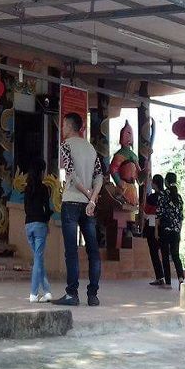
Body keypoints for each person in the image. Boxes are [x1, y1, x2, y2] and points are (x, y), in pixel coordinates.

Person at [52, 113, 103, 307]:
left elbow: (71, 174)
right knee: (93, 251)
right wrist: (92, 199)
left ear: (69, 126)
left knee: (71, 251)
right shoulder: (91, 148)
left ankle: (72, 294)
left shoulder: (65, 146)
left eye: (64, 125)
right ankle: (93, 295)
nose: (62, 129)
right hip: (88, 205)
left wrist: (86, 193)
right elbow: (99, 176)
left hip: (71, 202)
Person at [24, 158, 52, 303]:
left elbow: (26, 209)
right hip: (40, 225)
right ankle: (33, 294)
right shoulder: (44, 188)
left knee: (38, 259)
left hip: (28, 225)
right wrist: (47, 220)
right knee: (38, 260)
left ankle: (47, 292)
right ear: (41, 172)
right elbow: (47, 209)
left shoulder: (27, 189)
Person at [157, 172, 185, 289]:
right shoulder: (179, 197)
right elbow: (181, 217)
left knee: (165, 256)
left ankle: (168, 281)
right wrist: (179, 230)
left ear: (166, 182)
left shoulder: (162, 195)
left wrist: (156, 231)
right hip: (176, 230)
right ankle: (181, 278)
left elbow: (159, 214)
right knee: (175, 255)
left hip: (165, 229)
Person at [143, 175, 165, 286]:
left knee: (154, 252)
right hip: (164, 226)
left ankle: (160, 277)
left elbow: (146, 212)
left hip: (152, 225)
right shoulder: (166, 196)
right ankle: (167, 277)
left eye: (152, 182)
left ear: (155, 184)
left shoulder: (151, 197)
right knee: (164, 252)